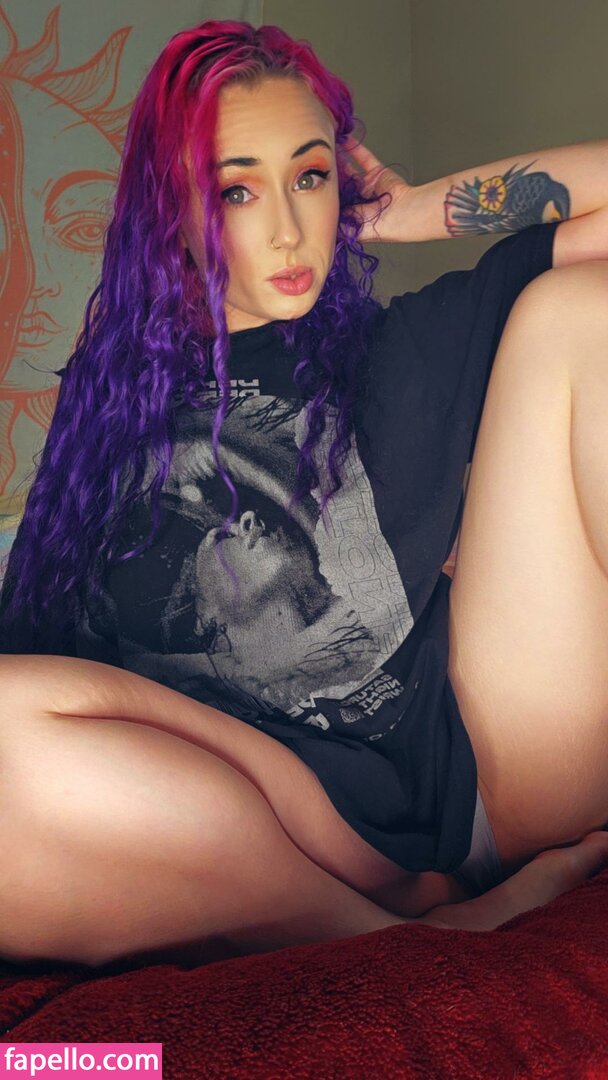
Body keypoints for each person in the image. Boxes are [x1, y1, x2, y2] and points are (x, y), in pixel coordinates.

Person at [1, 19, 608, 971]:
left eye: (312, 176)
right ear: (173, 209)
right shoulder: (109, 405)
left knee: (584, 310)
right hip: (254, 818)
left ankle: (411, 926)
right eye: (237, 190)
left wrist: (416, 209)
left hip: (482, 776)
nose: (288, 229)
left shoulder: (399, 351)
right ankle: (400, 932)